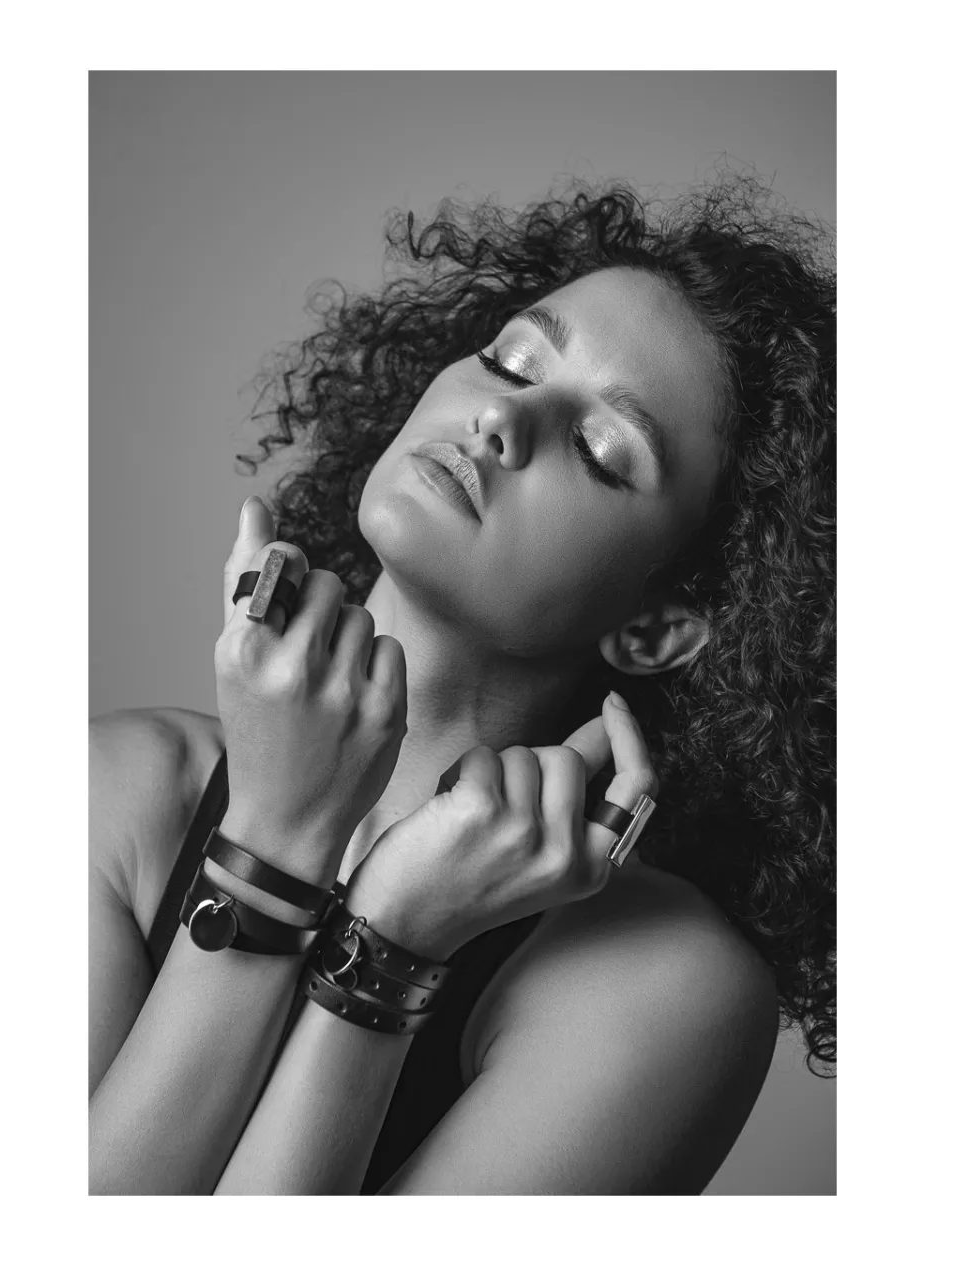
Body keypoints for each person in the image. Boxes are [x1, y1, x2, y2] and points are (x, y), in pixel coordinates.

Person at [88, 172, 836, 1195]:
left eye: (597, 449)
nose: (501, 417)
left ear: (655, 626)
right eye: (511, 360)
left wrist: (395, 941)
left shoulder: (665, 983)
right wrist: (274, 838)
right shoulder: (115, 789)